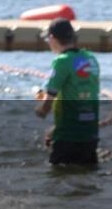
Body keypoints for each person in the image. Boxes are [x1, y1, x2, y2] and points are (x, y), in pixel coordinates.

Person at [35, 18, 100, 166]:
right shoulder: (90, 58)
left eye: (48, 39)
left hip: (68, 137)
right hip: (90, 134)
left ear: (52, 38)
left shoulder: (62, 61)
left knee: (57, 177)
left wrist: (40, 110)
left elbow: (47, 103)